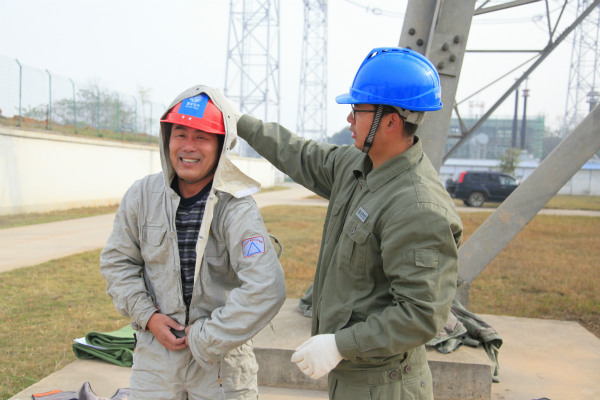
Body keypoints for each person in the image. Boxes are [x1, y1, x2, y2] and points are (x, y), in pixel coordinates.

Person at [234, 47, 463, 399]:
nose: (349, 119)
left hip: (385, 385)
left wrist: (340, 344)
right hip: (354, 376)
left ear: (391, 121)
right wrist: (238, 122)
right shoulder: (357, 166)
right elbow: (298, 152)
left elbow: (421, 315)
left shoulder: (418, 207)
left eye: (358, 110)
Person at [100, 85, 286, 400]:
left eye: (201, 136)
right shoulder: (142, 196)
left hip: (221, 364)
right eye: (180, 134)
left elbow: (266, 286)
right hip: (155, 360)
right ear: (166, 139)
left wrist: (206, 338)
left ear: (221, 144)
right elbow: (118, 263)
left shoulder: (236, 206)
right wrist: (149, 317)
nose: (189, 147)